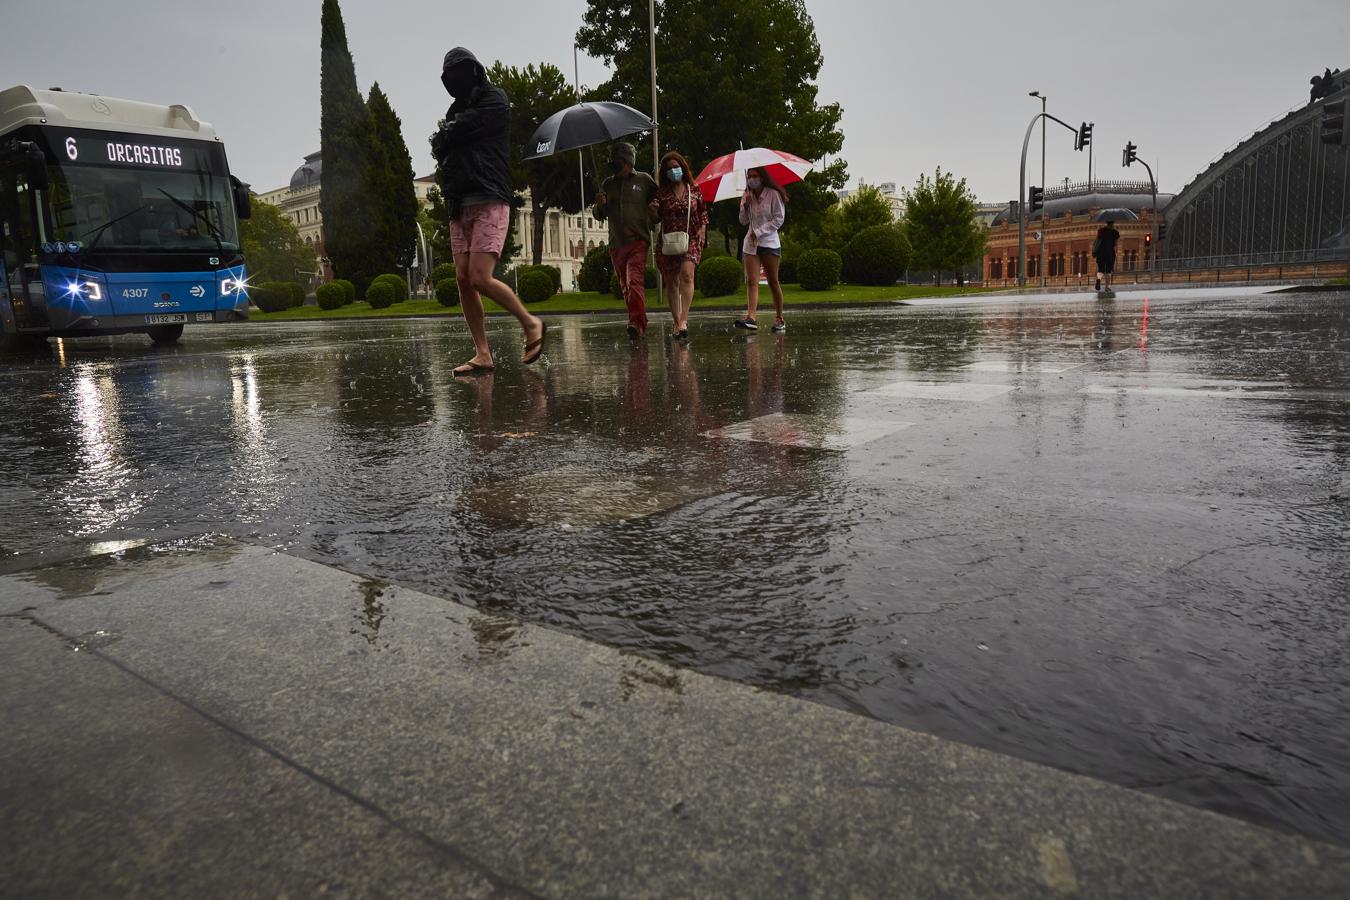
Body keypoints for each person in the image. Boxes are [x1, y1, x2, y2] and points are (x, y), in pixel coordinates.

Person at [431, 47, 546, 376]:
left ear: (474, 71)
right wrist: (447, 136)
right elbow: (441, 147)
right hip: (459, 204)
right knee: (463, 280)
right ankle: (483, 353)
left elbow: (463, 130)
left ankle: (531, 323)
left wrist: (448, 134)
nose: (455, 82)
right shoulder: (454, 110)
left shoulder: (495, 98)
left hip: (490, 197)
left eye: (459, 74)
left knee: (480, 277)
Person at [594, 142, 657, 338]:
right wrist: (599, 206)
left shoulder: (645, 180)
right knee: (625, 286)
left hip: (638, 241)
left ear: (627, 161)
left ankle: (635, 323)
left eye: (616, 159)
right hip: (616, 244)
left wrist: (655, 212)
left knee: (633, 281)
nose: (612, 162)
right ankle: (639, 320)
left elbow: (658, 210)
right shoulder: (607, 184)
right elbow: (599, 215)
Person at [649, 150, 707, 342]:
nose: (673, 171)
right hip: (668, 242)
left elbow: (703, 212)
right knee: (672, 282)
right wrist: (653, 212)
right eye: (669, 169)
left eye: (676, 167)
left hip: (690, 238)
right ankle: (676, 322)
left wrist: (702, 230)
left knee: (687, 275)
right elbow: (655, 220)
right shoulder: (661, 193)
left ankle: (683, 320)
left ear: (683, 167)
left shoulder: (694, 189)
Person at [735, 167, 787, 333]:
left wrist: (760, 232)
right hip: (751, 245)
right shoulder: (746, 195)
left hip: (769, 243)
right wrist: (745, 205)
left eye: (755, 176)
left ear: (762, 178)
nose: (751, 179)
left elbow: (779, 219)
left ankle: (779, 317)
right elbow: (742, 221)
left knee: (773, 281)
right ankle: (751, 316)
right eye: (749, 176)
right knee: (752, 281)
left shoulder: (773, 194)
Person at [1094, 218, 1121, 293]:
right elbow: (1115, 244)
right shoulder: (1115, 232)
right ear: (1112, 224)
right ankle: (1107, 287)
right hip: (1110, 253)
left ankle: (1098, 280)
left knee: (1100, 270)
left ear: (1107, 223)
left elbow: (1097, 241)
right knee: (1108, 271)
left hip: (1100, 253)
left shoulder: (1101, 231)